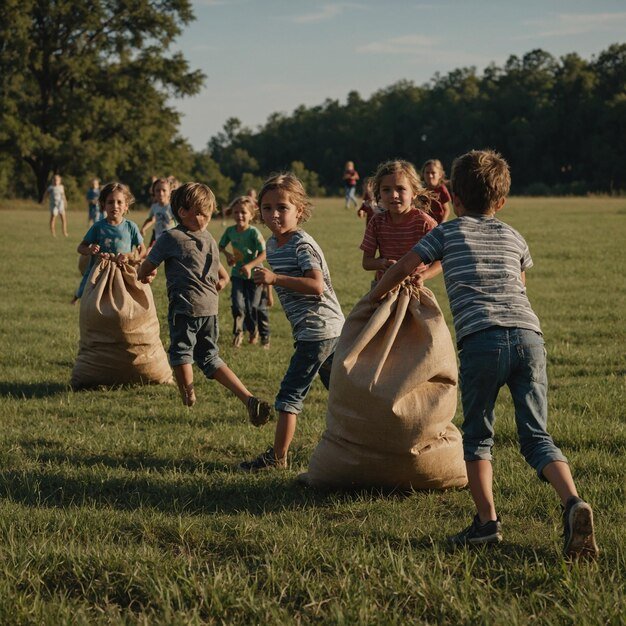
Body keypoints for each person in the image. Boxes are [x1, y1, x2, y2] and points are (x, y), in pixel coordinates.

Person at [369, 149, 598, 559]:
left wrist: (375, 296)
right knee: (536, 437)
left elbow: (405, 266)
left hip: (481, 341)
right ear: (502, 201)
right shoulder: (514, 235)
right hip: (530, 339)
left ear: (453, 198)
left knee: (478, 439)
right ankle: (572, 502)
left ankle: (486, 523)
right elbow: (521, 283)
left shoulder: (446, 233)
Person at [137, 182, 272, 425]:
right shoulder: (209, 238)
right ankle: (248, 398)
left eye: (208, 212)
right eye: (201, 212)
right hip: (210, 309)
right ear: (183, 211)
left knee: (180, 353)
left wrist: (143, 274)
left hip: (185, 307)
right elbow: (223, 275)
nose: (206, 217)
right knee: (210, 357)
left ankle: (189, 397)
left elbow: (146, 267)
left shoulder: (171, 237)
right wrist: (219, 283)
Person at [240, 173, 345, 471]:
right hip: (321, 329)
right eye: (267, 207)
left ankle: (278, 458)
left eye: (282, 207)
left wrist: (275, 279)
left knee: (289, 396)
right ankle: (359, 440)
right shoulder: (273, 244)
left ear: (299, 210)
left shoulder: (301, 244)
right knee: (341, 391)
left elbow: (316, 286)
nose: (274, 214)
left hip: (319, 331)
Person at [360, 159, 441, 284]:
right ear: (379, 193)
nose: (394, 195)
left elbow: (440, 260)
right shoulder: (377, 222)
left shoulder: (425, 223)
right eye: (386, 190)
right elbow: (366, 262)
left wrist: (424, 275)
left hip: (414, 289)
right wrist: (383, 263)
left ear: (414, 192)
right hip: (382, 289)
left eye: (400, 188)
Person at [72, 182, 145, 304]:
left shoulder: (131, 227)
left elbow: (142, 249)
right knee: (93, 299)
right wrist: (90, 250)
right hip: (99, 273)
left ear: (126, 206)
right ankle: (77, 298)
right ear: (103, 205)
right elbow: (81, 247)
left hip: (122, 273)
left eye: (119, 202)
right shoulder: (98, 227)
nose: (115, 206)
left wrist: (129, 256)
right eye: (110, 202)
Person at [219, 195, 271, 349]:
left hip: (254, 275)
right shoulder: (230, 231)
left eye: (243, 212)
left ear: (251, 214)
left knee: (252, 307)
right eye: (236, 212)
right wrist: (228, 255)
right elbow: (220, 246)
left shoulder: (253, 232)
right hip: (237, 275)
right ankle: (238, 334)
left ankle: (254, 331)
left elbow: (264, 253)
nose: (239, 216)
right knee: (237, 305)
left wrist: (249, 266)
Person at [140, 177, 175, 248]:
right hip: (157, 238)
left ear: (170, 191)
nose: (161, 193)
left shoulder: (172, 207)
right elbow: (151, 219)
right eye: (158, 190)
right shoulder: (154, 207)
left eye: (164, 190)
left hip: (170, 239)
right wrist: (143, 228)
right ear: (153, 192)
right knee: (149, 256)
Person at [422, 159, 452, 224]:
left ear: (440, 175)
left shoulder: (441, 189)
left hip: (438, 225)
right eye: (427, 173)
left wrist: (443, 222)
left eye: (433, 173)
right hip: (425, 224)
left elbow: (447, 210)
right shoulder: (421, 190)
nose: (430, 176)